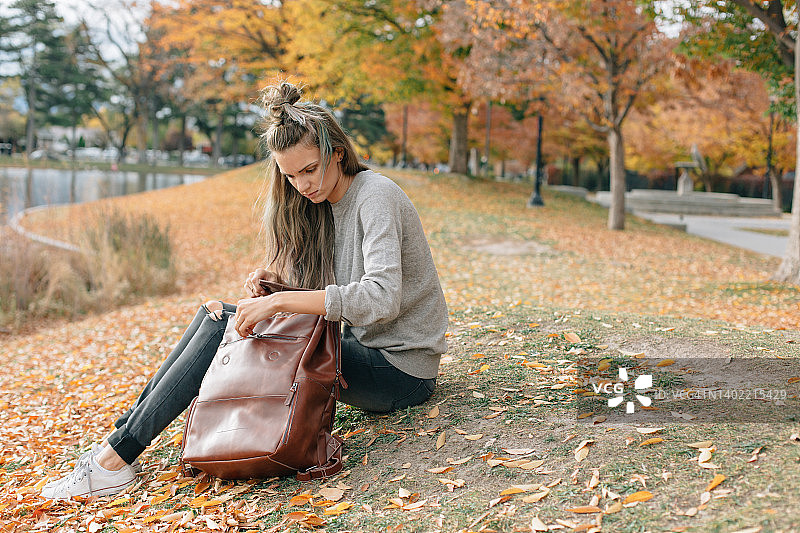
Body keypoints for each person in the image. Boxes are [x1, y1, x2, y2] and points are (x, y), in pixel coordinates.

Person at [40, 81, 449, 500]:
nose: (302, 185)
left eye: (310, 169)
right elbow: (329, 293)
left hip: (400, 371)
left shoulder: (375, 196)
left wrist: (279, 301)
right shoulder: (325, 205)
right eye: (290, 176)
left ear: (337, 153)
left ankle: (115, 458)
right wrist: (273, 283)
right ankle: (121, 438)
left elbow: (381, 298)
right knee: (218, 315)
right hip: (361, 352)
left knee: (225, 327)